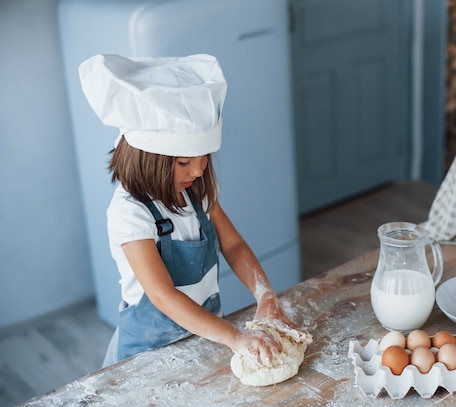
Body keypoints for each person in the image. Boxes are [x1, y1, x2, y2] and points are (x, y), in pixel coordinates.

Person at [78, 54, 296, 367]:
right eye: (184, 162)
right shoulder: (131, 214)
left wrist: (265, 295)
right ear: (147, 157)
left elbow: (233, 245)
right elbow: (162, 295)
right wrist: (236, 338)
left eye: (204, 155)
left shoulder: (195, 192)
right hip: (147, 358)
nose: (198, 170)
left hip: (205, 339)